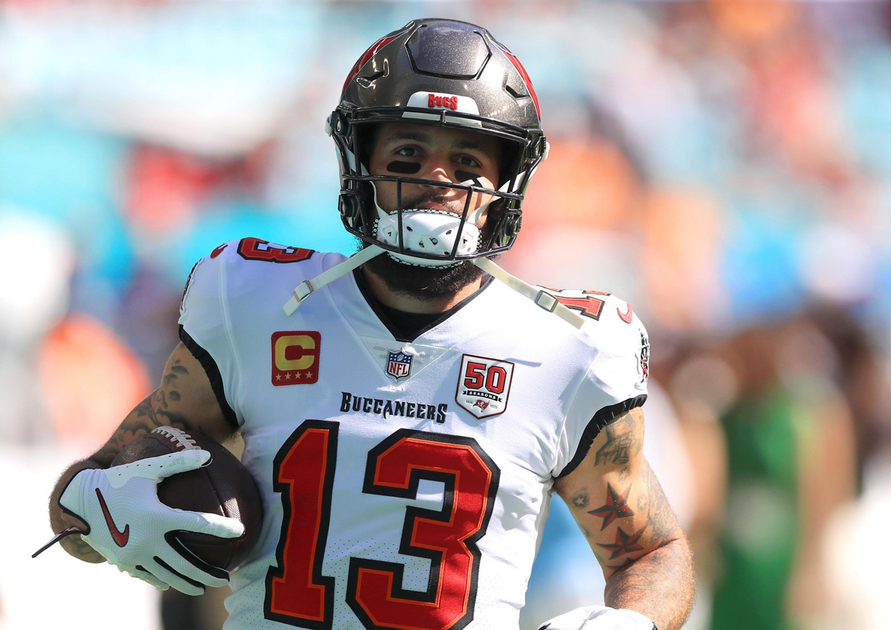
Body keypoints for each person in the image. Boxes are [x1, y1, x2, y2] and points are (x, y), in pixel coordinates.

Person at [46, 18, 694, 630]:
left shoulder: (567, 349)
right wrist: (103, 508)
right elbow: (79, 498)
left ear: (508, 182)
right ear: (359, 161)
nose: (437, 182)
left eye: (468, 164)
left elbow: (653, 552)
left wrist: (630, 621)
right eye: (408, 155)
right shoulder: (255, 304)